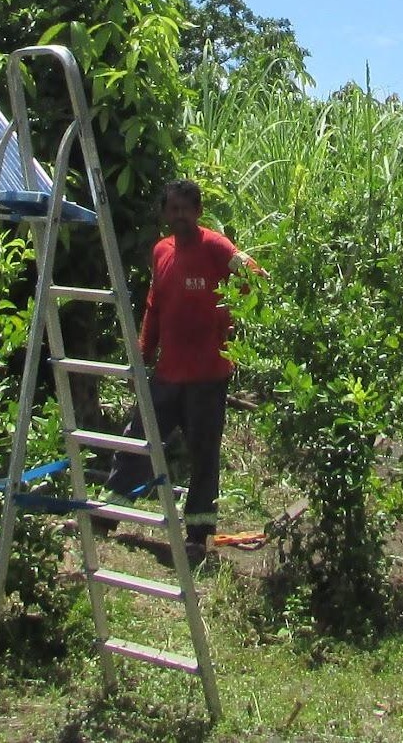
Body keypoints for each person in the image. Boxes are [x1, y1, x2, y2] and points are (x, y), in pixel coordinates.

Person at [105, 179, 262, 559]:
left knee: (203, 456)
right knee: (138, 441)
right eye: (172, 209)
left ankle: (198, 536)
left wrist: (231, 306)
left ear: (198, 212)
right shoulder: (161, 250)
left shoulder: (215, 246)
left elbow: (253, 280)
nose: (179, 216)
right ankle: (106, 516)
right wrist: (143, 353)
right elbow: (154, 305)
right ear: (165, 213)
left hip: (208, 377)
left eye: (186, 209)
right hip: (167, 374)